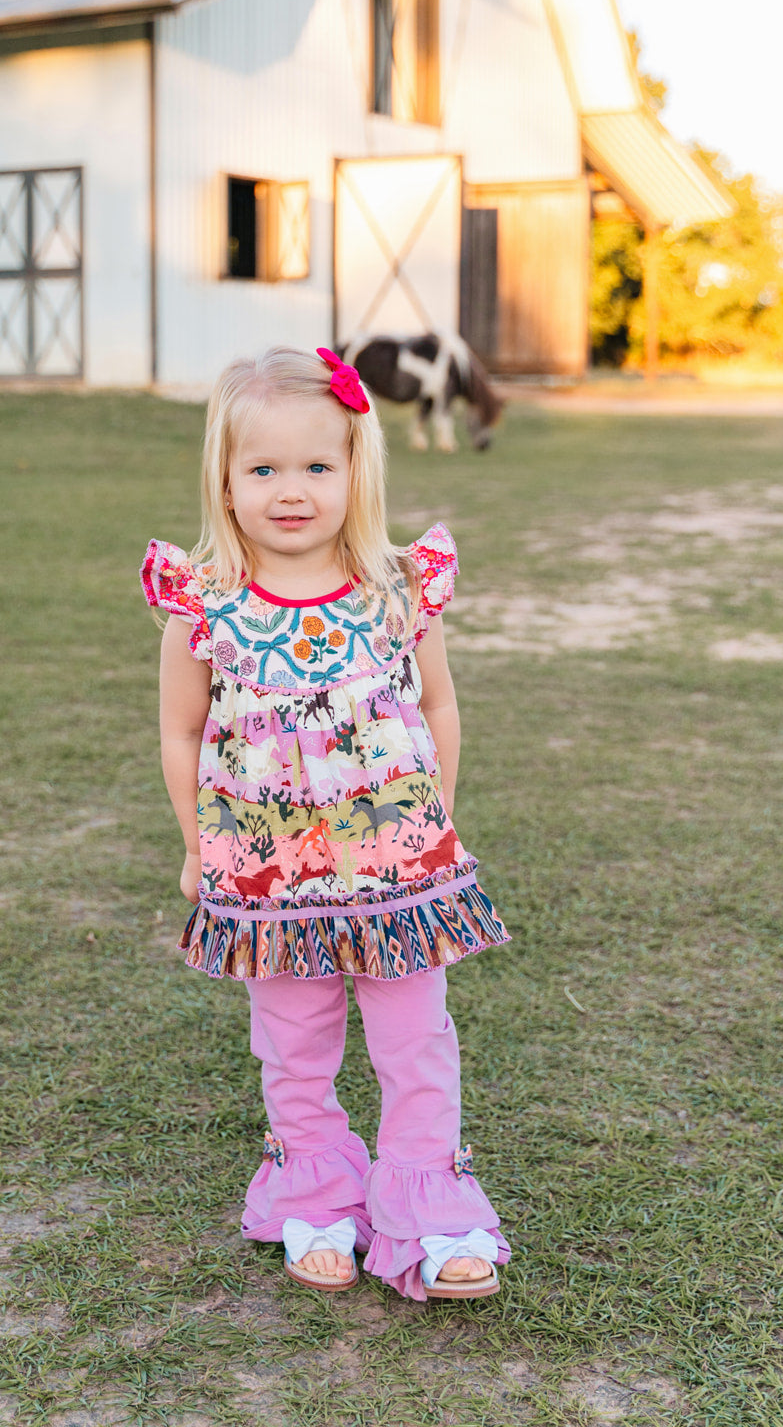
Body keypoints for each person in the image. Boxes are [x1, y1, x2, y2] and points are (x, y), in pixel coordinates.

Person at [141, 345, 511, 1301]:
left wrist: (436, 823)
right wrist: (197, 849)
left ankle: (430, 1205)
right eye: (263, 469)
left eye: (317, 466)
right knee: (295, 1040)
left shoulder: (396, 592)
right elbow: (182, 732)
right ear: (225, 481)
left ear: (357, 470)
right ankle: (315, 1190)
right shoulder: (209, 606)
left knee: (414, 1037)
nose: (291, 491)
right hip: (273, 878)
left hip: (394, 868)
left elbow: (438, 708)